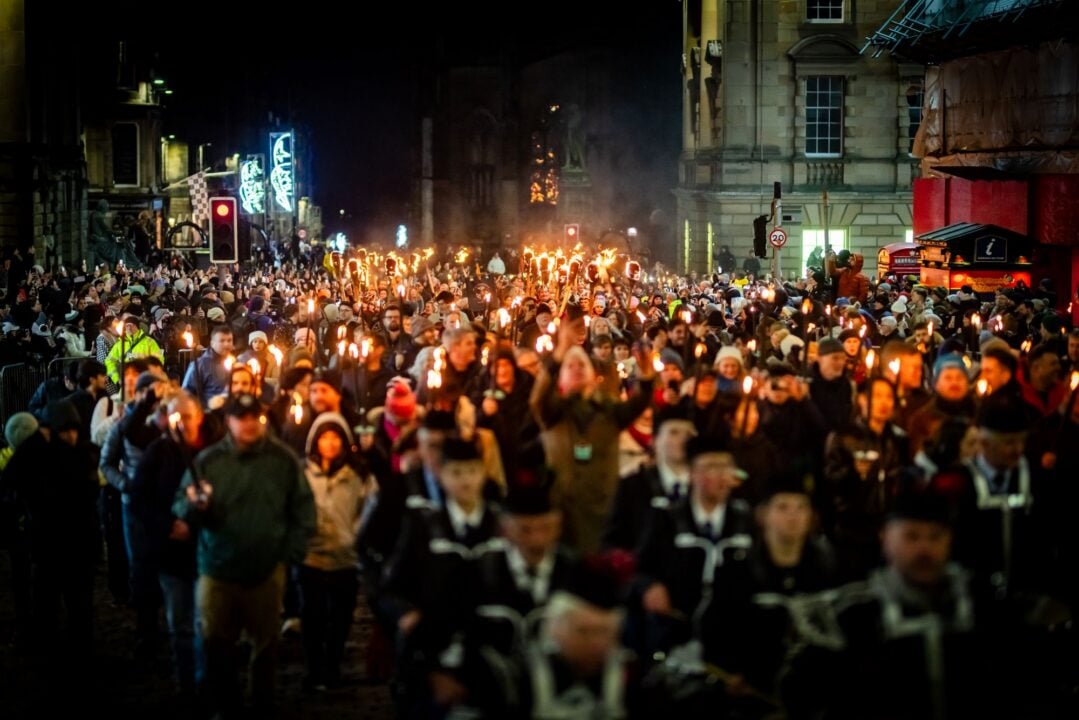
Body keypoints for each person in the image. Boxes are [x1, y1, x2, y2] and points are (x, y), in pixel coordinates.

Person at [173, 393, 315, 717]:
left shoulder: (282, 460)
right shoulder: (209, 461)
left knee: (265, 646)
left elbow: (303, 508)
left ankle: (262, 704)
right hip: (217, 568)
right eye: (241, 417)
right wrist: (193, 506)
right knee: (214, 642)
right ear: (229, 422)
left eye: (254, 417)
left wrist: (289, 553)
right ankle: (224, 705)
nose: (249, 423)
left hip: (266, 571)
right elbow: (182, 502)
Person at [299, 412, 377, 691]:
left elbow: (369, 508)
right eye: (324, 437)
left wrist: (356, 534)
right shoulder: (303, 473)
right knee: (313, 615)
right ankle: (314, 667)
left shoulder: (358, 475)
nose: (329, 444)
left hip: (346, 557)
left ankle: (332, 665)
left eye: (335, 438)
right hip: (312, 556)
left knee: (341, 617)